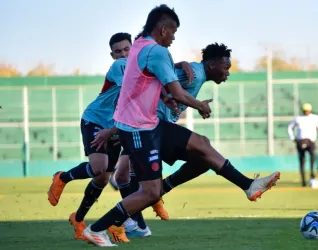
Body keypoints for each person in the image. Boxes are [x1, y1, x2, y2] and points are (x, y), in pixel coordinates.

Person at [83, 4, 280, 247]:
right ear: (163, 29)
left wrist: (168, 92)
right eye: (173, 32)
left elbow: (150, 84)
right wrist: (199, 105)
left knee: (202, 147)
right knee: (149, 192)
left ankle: (248, 186)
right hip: (138, 129)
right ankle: (99, 228)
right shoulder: (157, 52)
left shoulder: (139, 47)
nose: (174, 38)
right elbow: (176, 90)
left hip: (149, 124)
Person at [46, 32, 172, 242]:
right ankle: (62, 178)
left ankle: (81, 220)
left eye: (126, 49)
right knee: (99, 168)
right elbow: (133, 88)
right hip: (96, 121)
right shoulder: (120, 67)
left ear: (133, 48)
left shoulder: (141, 67)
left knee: (105, 178)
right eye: (118, 51)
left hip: (118, 127)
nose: (123, 54)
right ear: (112, 55)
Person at [108, 42, 235, 209]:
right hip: (148, 125)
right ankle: (123, 219)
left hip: (153, 126)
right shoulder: (195, 73)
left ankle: (134, 215)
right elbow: (159, 76)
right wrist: (197, 104)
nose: (227, 73)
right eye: (226, 67)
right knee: (127, 178)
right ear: (212, 64)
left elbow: (166, 79)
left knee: (203, 156)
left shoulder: (196, 74)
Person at [288, 103, 318, 187]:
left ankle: (312, 175)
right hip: (300, 141)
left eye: (308, 111)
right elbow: (290, 127)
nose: (306, 112)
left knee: (313, 157)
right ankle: (303, 181)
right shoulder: (298, 118)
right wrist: (293, 138)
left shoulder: (315, 118)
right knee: (302, 161)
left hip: (311, 142)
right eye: (305, 111)